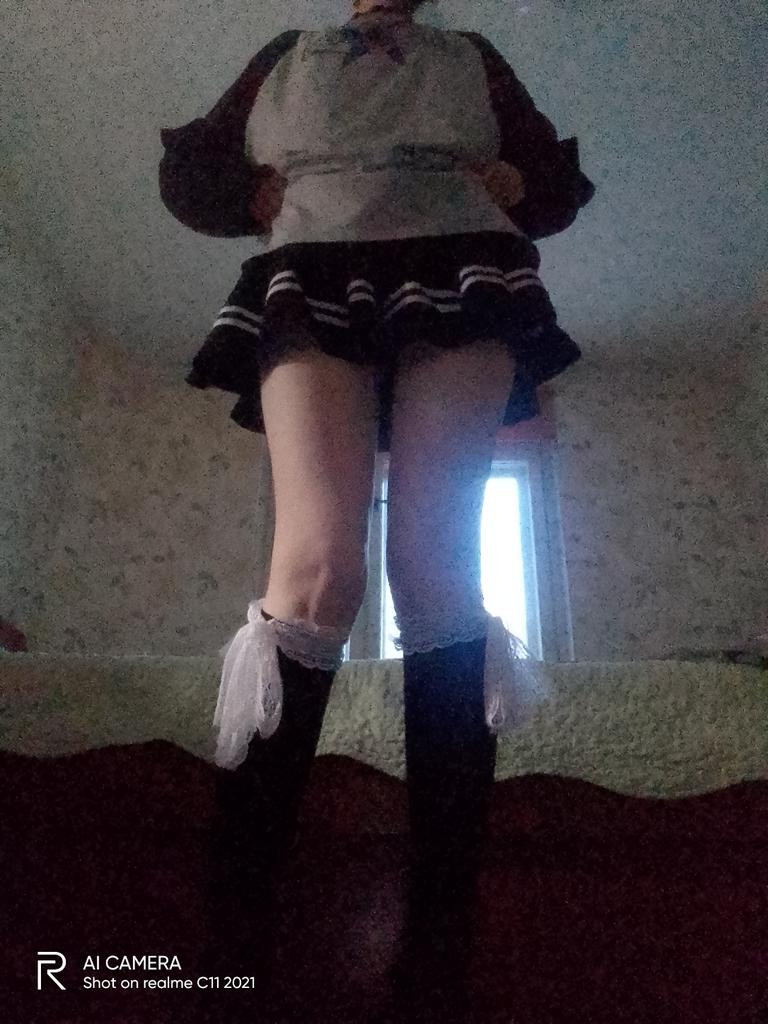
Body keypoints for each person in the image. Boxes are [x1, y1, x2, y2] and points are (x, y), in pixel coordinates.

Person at [158, 1, 595, 1020]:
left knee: (439, 571)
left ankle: (438, 960)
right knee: (316, 572)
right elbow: (189, 172)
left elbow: (555, 179)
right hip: (309, 265)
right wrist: (245, 192)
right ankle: (229, 957)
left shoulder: (471, 56)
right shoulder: (286, 55)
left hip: (466, 263)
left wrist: (520, 182)